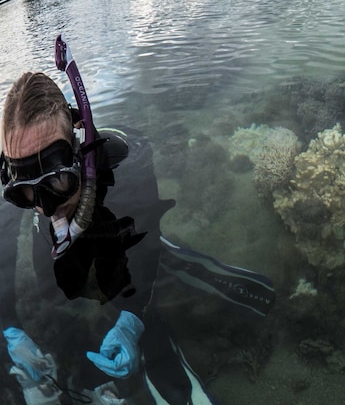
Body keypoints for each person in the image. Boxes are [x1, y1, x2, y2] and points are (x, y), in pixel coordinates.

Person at [1, 40, 275, 404]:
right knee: (56, 287)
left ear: (80, 145)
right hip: (71, 242)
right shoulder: (19, 186)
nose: (49, 208)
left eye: (56, 181)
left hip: (115, 221)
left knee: (123, 279)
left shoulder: (122, 163)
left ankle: (170, 264)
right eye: (27, 193)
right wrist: (8, 328)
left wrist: (133, 317)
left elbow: (142, 242)